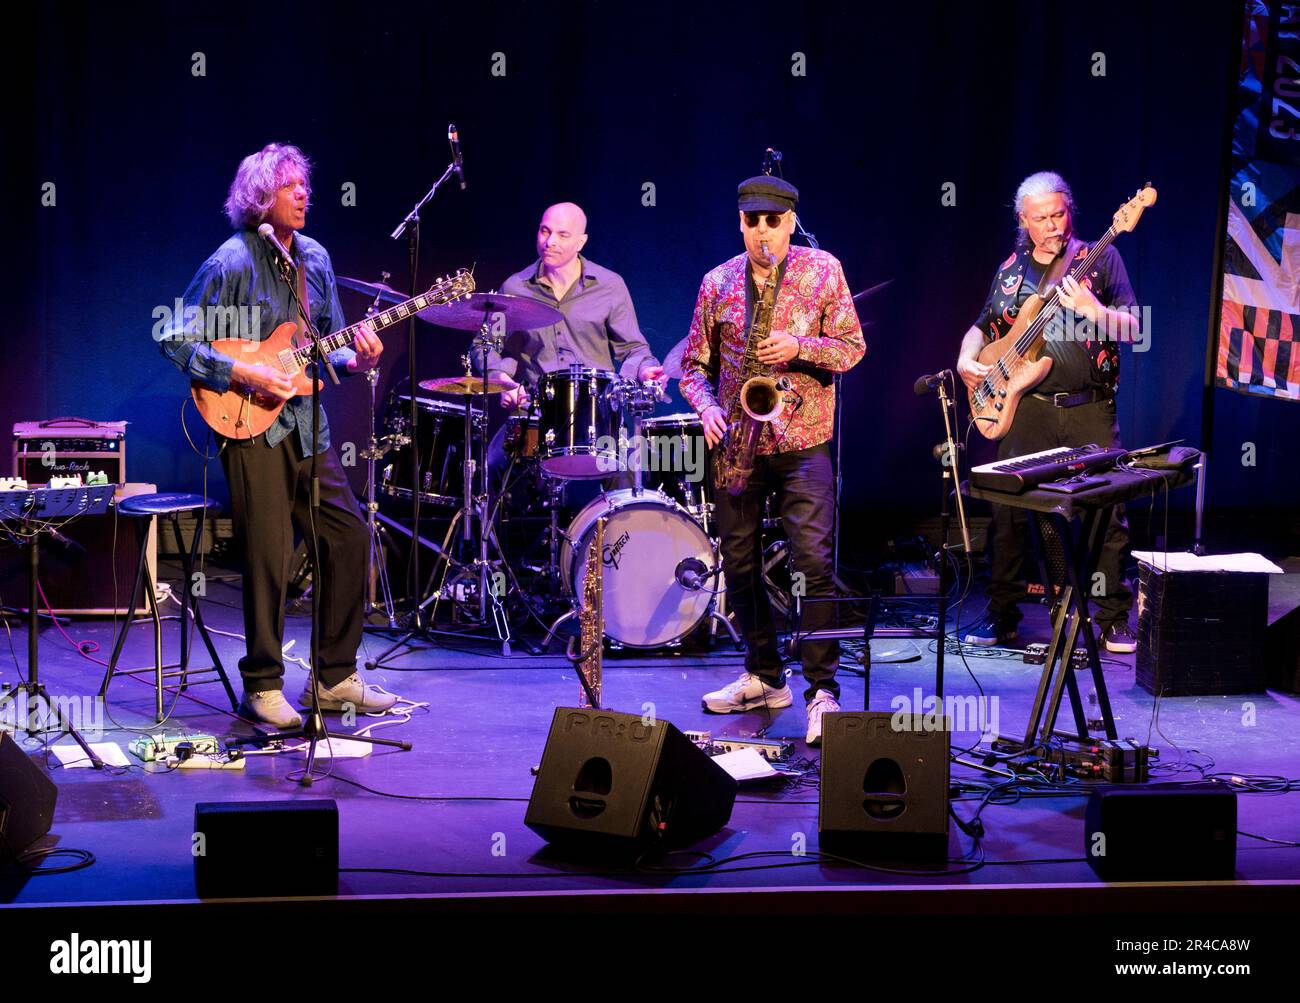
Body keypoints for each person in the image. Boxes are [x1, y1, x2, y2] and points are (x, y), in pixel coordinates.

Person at [158, 142, 398, 728]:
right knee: (266, 554)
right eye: (291, 186)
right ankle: (262, 685)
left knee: (348, 534)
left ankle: (334, 677)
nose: (303, 195)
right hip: (246, 421)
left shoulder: (313, 257)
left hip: (305, 424)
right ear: (261, 196)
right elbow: (173, 335)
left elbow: (331, 344)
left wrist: (361, 356)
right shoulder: (231, 261)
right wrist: (244, 370)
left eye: (305, 186)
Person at [679, 175, 865, 746]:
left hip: (804, 441)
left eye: (773, 221)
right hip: (737, 442)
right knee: (736, 565)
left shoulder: (822, 269)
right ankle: (764, 676)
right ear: (741, 222)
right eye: (752, 221)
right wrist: (707, 408)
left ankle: (822, 691)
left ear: (790, 222)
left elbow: (853, 348)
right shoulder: (718, 282)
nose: (762, 232)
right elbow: (692, 367)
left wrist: (799, 347)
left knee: (813, 563)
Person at [956, 170, 1140, 653]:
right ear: (1024, 221)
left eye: (1059, 214)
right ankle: (1003, 615)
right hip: (1026, 407)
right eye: (1041, 218)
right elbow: (983, 324)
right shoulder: (1011, 269)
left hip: (1087, 408)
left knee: (1107, 512)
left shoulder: (1100, 259)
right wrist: (964, 356)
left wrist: (1094, 310)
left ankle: (1115, 617)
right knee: (1007, 513)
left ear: (1070, 210)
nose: (1053, 225)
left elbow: (1135, 328)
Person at [482, 202, 665, 485]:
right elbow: (487, 345)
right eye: (545, 231)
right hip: (537, 412)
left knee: (630, 475)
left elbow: (635, 350)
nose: (550, 241)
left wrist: (644, 371)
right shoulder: (514, 289)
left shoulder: (609, 286)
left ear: (581, 241)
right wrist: (501, 380)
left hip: (597, 415)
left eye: (562, 235)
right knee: (494, 466)